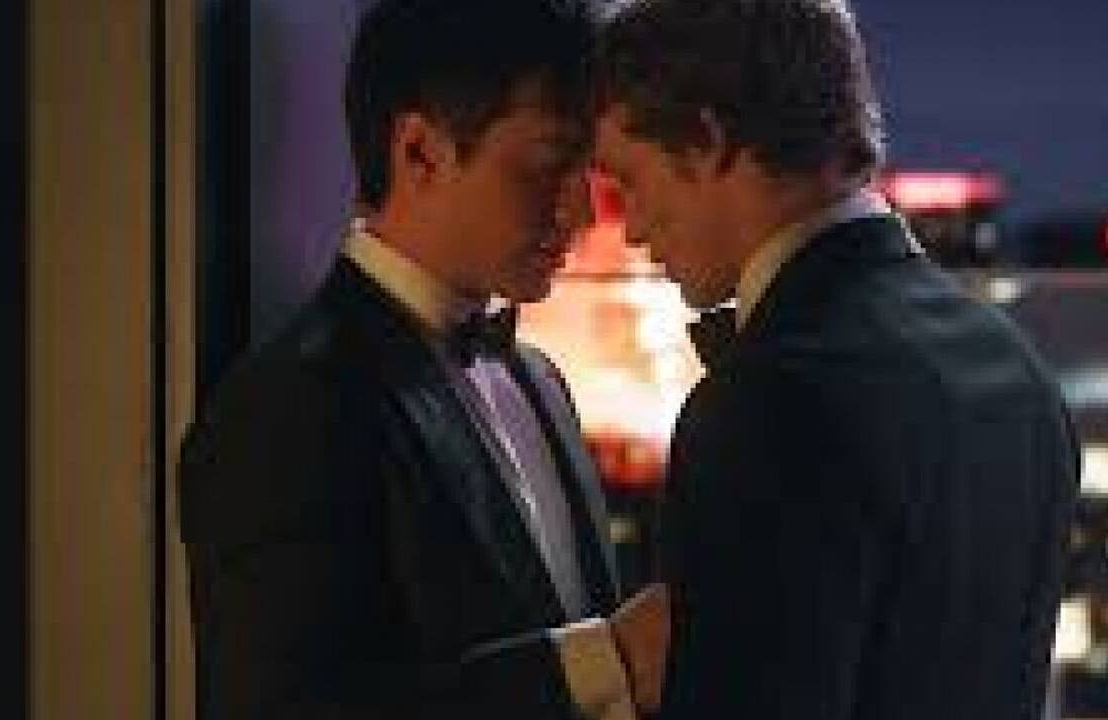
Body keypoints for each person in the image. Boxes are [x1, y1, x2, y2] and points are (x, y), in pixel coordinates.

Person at [591, 0, 1080, 718]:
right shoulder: (1014, 366)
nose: (632, 228)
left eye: (629, 181)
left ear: (705, 141)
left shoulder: (768, 403)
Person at [179, 1, 665, 718]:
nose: (583, 214)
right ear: (419, 153)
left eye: (586, 171)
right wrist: (605, 663)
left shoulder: (540, 381)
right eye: (546, 166)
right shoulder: (288, 407)